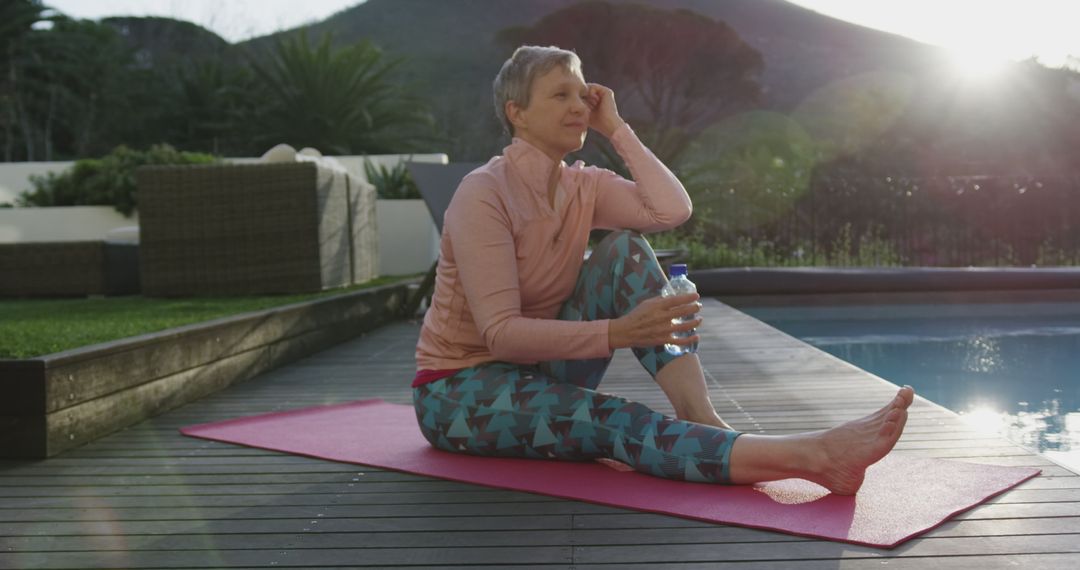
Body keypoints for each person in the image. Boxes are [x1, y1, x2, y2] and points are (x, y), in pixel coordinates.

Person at [412, 45, 913, 495]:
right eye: (559, 95)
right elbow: (500, 336)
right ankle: (814, 457)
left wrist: (617, 129)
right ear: (516, 112)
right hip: (458, 389)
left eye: (582, 94)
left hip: (541, 369)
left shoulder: (583, 186)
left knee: (626, 249)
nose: (578, 105)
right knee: (614, 419)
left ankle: (700, 416)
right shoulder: (484, 193)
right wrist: (618, 332)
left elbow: (669, 211)